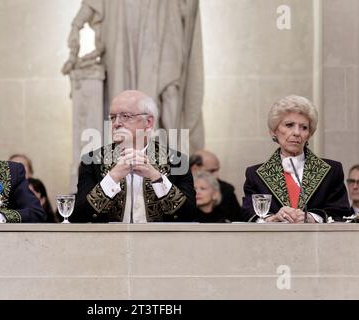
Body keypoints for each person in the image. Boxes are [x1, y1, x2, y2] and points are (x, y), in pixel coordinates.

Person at [62, 0, 205, 153]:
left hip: (165, 19)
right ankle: (129, 150)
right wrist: (76, 25)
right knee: (125, 96)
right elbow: (93, 3)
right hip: (123, 26)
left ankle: (173, 155)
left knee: (170, 88)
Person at [72, 90, 196, 223]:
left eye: (125, 116)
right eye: (113, 117)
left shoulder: (177, 161)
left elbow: (189, 215)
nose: (116, 123)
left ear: (148, 122)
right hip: (108, 242)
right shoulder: (92, 161)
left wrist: (156, 177)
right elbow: (79, 216)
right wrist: (112, 177)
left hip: (161, 242)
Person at [240, 95, 350, 223]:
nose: (297, 132)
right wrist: (272, 218)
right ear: (274, 131)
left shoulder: (331, 171)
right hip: (271, 241)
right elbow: (246, 213)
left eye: (304, 127)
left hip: (318, 241)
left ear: (309, 134)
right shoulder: (255, 174)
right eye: (289, 125)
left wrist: (311, 218)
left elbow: (341, 213)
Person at [190, 150, 241, 221]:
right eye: (211, 171)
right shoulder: (180, 188)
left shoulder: (226, 190)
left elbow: (237, 222)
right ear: (195, 169)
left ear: (215, 194)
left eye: (203, 188)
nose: (217, 176)